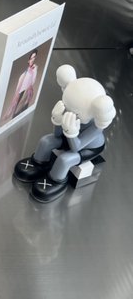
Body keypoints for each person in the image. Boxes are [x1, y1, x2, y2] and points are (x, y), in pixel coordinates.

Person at [13, 64, 116, 203]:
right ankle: (38, 164)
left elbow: (75, 148)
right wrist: (57, 121)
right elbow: (57, 136)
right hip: (71, 138)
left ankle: (56, 180)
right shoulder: (72, 110)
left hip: (87, 148)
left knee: (65, 160)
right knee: (46, 141)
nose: (70, 113)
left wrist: (71, 133)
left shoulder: (96, 128)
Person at [2, 49, 38, 122]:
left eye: (34, 57)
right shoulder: (27, 70)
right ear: (28, 60)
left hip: (26, 91)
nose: (32, 60)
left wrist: (27, 88)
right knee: (16, 108)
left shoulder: (34, 68)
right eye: (31, 58)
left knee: (22, 107)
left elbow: (33, 80)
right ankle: (13, 118)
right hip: (20, 91)